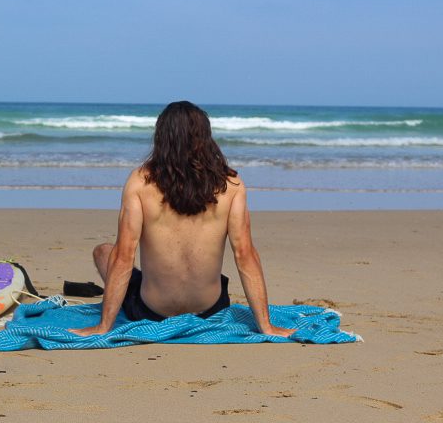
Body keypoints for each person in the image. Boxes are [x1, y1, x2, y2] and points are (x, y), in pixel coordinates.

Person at [69, 101, 296, 337]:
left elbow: (125, 256)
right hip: (210, 310)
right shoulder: (231, 185)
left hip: (151, 311)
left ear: (161, 137)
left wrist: (104, 326)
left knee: (104, 251)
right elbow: (244, 254)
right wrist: (266, 327)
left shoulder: (139, 182)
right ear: (205, 137)